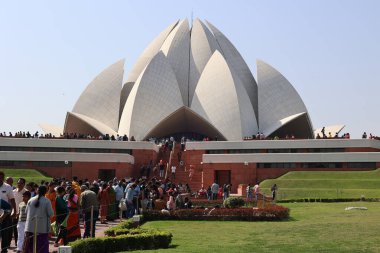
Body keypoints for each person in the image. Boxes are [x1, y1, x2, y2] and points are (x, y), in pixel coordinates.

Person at [23, 185, 54, 253]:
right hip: (42, 230)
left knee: (29, 248)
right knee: (41, 249)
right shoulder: (47, 201)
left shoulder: (30, 200)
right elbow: (51, 214)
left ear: (37, 191)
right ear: (45, 192)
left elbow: (26, 212)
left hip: (30, 228)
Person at [0, 171, 17, 253]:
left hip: (5, 214)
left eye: (1, 177)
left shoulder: (8, 187)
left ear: (3, 178)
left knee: (5, 232)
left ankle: (4, 249)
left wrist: (15, 210)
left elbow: (12, 200)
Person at [12, 178, 26, 248]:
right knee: (15, 229)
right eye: (18, 183)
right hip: (14, 213)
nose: (19, 184)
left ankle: (22, 245)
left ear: (24, 184)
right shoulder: (13, 191)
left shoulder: (26, 192)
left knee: (22, 231)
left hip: (23, 214)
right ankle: (17, 245)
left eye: (21, 183)